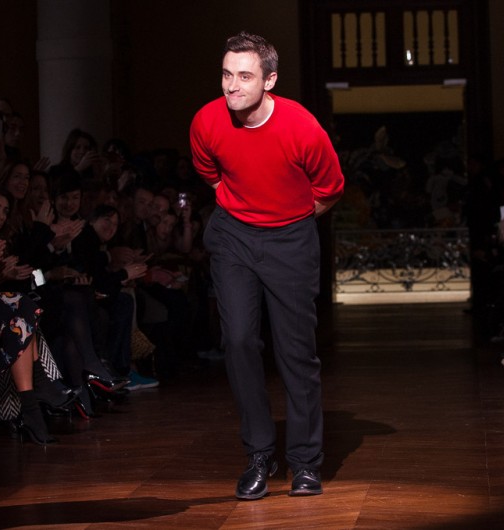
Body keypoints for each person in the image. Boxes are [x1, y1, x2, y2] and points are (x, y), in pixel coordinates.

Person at [190, 31, 344, 500]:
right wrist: (245, 214)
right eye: (225, 74)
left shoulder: (302, 128)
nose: (231, 86)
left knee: (296, 353)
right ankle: (259, 454)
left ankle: (304, 463)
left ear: (269, 80)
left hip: (291, 239)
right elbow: (210, 174)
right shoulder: (207, 121)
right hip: (234, 234)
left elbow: (330, 189)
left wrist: (284, 222)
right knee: (237, 340)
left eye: (244, 76)